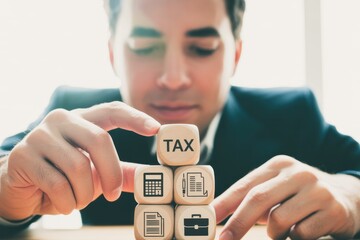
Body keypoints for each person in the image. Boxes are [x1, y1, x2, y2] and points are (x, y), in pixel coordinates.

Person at [1, 0, 359, 239]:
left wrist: (349, 196)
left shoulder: (292, 115)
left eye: (201, 48)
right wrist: (5, 197)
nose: (173, 78)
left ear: (235, 55)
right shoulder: (74, 115)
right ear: (113, 55)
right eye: (144, 48)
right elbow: (9, 166)